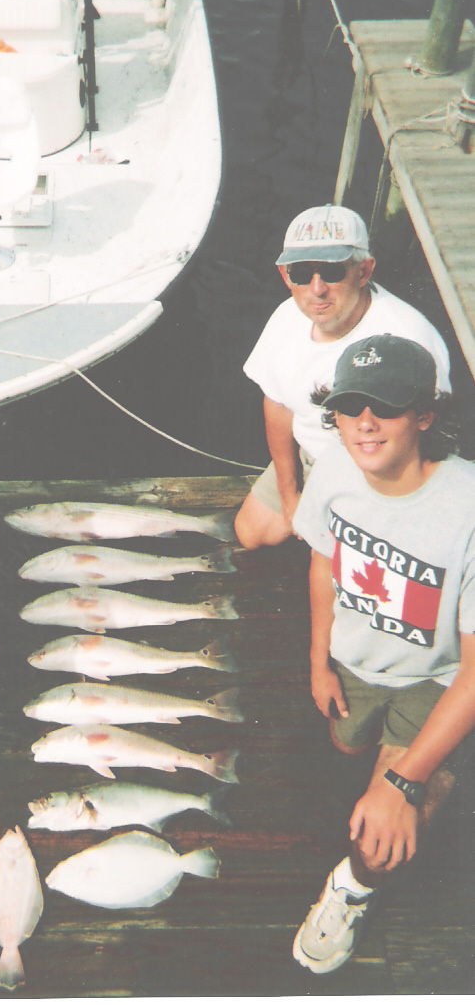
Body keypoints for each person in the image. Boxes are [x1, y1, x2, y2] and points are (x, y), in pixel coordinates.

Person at [291, 334, 475, 974]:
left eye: (387, 406)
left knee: (381, 838)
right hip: (352, 664)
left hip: (435, 683)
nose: (364, 424)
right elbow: (323, 558)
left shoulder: (469, 508)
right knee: (345, 745)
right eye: (349, 406)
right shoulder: (339, 467)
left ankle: (352, 888)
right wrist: (319, 660)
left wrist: (404, 782)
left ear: (425, 414)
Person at [234, 203, 450, 550]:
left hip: (381, 467)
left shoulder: (410, 338)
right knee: (252, 534)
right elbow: (277, 404)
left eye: (332, 272)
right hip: (312, 456)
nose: (316, 289)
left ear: (364, 271)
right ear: (284, 275)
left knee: (354, 558)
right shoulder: (285, 318)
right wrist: (291, 497)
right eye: (301, 273)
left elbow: (431, 442)